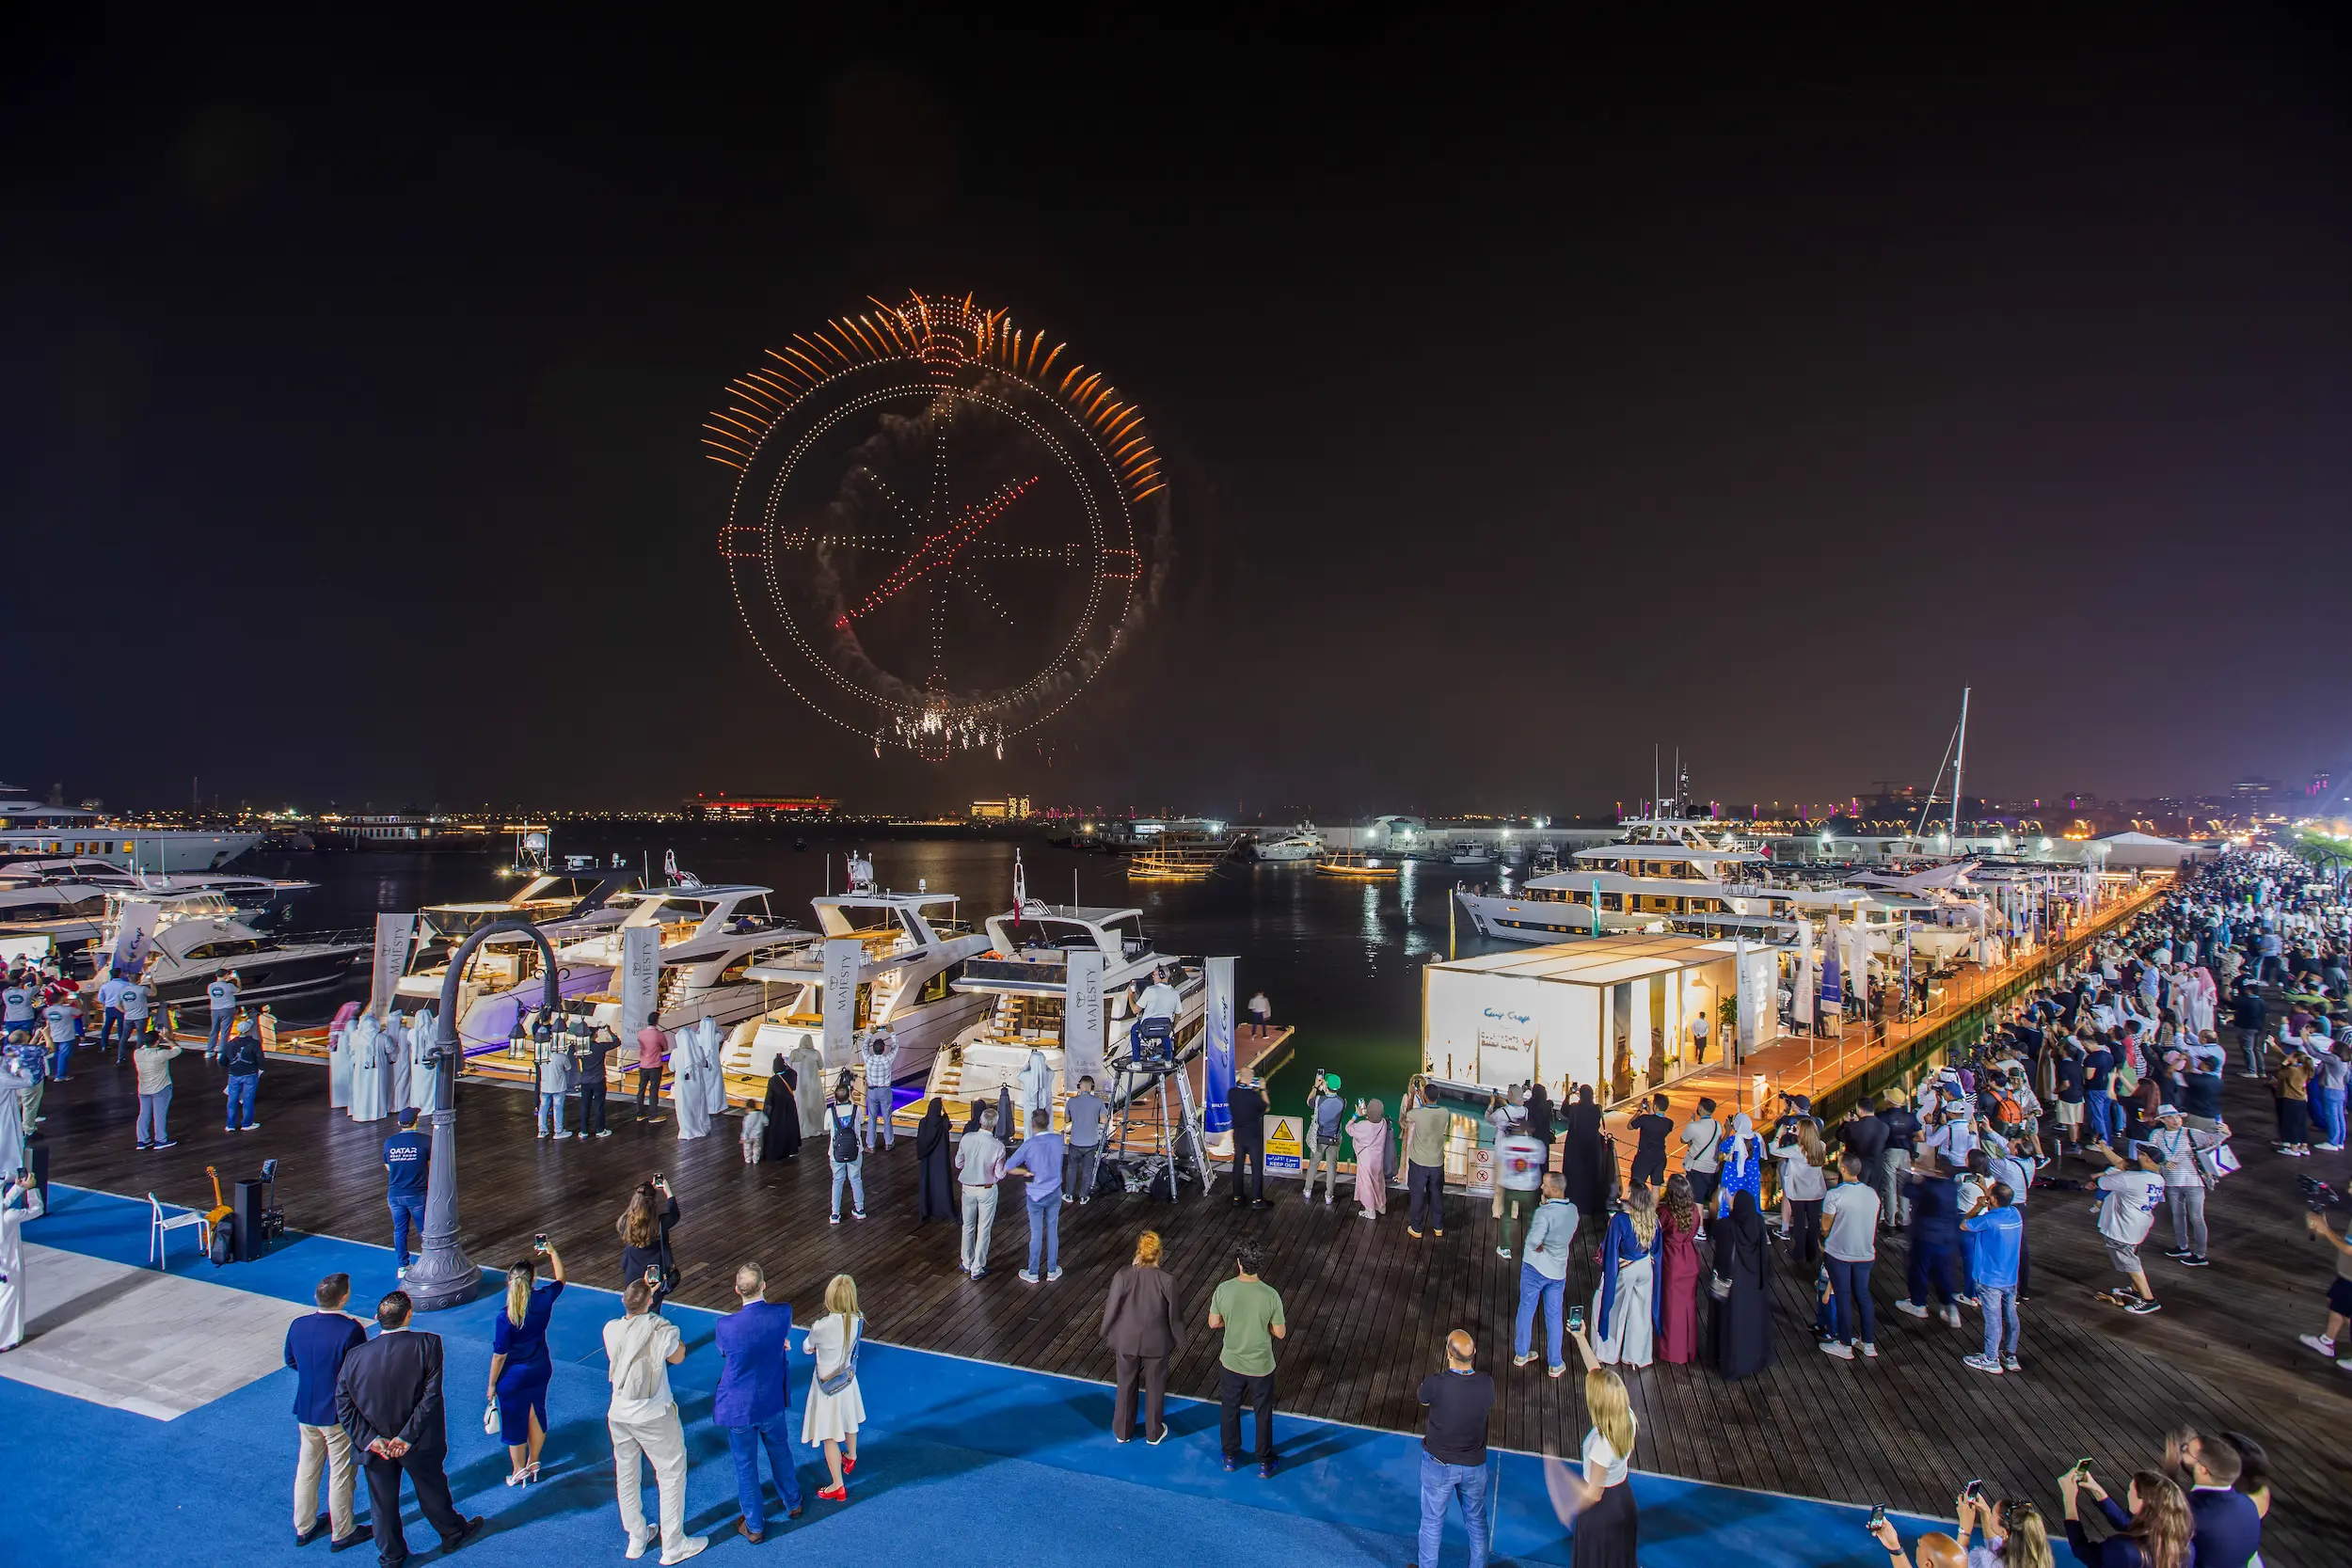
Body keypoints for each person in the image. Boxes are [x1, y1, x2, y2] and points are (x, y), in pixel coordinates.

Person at [335, 1291, 485, 1566]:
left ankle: (392, 1556)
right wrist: (406, 1437)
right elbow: (431, 1396)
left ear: (378, 1318)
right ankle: (452, 1533)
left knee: (382, 1504)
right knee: (431, 1489)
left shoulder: (355, 1356)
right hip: (419, 1442)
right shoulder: (428, 1343)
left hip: (377, 1448)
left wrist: (370, 1440)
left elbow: (343, 1403)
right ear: (409, 1314)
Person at [605, 1276, 705, 1563]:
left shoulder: (611, 1329)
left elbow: (635, 1326)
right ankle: (673, 1545)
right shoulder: (662, 1329)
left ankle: (637, 1536)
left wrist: (647, 1294)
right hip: (653, 1414)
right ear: (651, 1301)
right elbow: (678, 1357)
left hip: (619, 1413)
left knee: (626, 1475)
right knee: (671, 1474)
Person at [713, 1261, 801, 1544]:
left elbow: (728, 1353)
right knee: (781, 1451)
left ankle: (754, 1525)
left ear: (737, 1290)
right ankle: (794, 1502)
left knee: (745, 1466)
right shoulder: (782, 1313)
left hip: (738, 1409)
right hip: (771, 1400)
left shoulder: (725, 1326)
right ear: (764, 1285)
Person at [285, 1273, 369, 1549]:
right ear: (344, 1298)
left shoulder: (298, 1325)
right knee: (341, 1473)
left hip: (306, 1409)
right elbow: (358, 1372)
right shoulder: (351, 1330)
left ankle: (304, 1525)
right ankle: (342, 1530)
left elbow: (291, 1361)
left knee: (307, 1469)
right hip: (336, 1413)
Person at [1547, 1327, 1639, 1568]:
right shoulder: (1626, 1416)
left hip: (1602, 1513)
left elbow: (1594, 1493)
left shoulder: (1601, 1446)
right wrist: (1580, 1338)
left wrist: (1561, 1482)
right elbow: (1596, 1372)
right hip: (1623, 1500)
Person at [487, 1241, 565, 1484]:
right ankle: (534, 1461)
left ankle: (518, 1469)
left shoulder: (505, 1316)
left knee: (514, 1419)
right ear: (533, 1281)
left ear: (509, 1282)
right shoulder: (543, 1300)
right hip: (540, 1368)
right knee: (536, 1412)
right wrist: (552, 1252)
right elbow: (561, 1279)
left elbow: (500, 1355)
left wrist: (491, 1385)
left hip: (512, 1375)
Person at [1416, 1329, 1496, 1568]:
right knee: (1477, 1522)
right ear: (1474, 1353)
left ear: (1448, 1353)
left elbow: (1422, 1397)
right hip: (1474, 1466)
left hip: (1439, 1465)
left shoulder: (1436, 1384)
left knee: (1431, 1522)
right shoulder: (1486, 1384)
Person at [1100, 1229, 1186, 1444]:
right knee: (1155, 1387)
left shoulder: (1123, 1275)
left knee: (1125, 1384)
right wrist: (1181, 1339)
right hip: (1156, 1343)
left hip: (1126, 1340)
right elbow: (1174, 1316)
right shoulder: (1167, 1280)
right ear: (1159, 1253)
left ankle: (1123, 1431)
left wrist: (1105, 1330)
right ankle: (1154, 1433)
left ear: (1138, 1251)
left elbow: (1111, 1308)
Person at [1208, 1240, 1285, 1478]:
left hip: (1231, 1362)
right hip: (1261, 1365)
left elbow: (1213, 1323)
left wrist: (1228, 1322)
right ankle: (1264, 1460)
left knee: (1230, 1407)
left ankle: (1230, 1456)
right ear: (1259, 1264)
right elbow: (1280, 1333)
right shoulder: (1270, 1295)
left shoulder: (1223, 1289)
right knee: (1263, 1411)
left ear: (1239, 1263)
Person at [801, 1273, 866, 1503]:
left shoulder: (821, 1326)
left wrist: (815, 1349)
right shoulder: (857, 1320)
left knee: (829, 1436)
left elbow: (807, 1347)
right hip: (847, 1382)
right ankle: (851, 1455)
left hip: (826, 1389)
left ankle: (838, 1485)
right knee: (849, 1421)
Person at [2164, 1427, 2262, 1568]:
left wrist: (2169, 1473)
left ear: (2203, 1469)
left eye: (2186, 1450)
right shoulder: (2248, 1504)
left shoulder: (2192, 1511)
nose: (2182, 1450)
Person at [2089, 1141, 2168, 1314]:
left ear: (2148, 1160)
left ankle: (2149, 1299)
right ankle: (2135, 1290)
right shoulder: (2158, 1179)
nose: (2138, 1156)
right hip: (2139, 1224)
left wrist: (2108, 1173)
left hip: (2122, 1227)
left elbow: (2102, 1182)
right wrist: (2104, 1149)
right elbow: (2122, 1165)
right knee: (2132, 1256)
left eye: (2142, 1155)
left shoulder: (2131, 1179)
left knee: (2130, 1264)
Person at [2059, 1464, 2190, 1568]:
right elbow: (2128, 1524)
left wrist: (2069, 1499)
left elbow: (2083, 1551)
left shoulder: (2122, 1549)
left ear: (2142, 1503)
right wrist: (2097, 1491)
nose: (2127, 1494)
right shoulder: (2186, 1549)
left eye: (2130, 1489)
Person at [1819, 1153, 1883, 1359]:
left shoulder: (1835, 1195)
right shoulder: (1872, 1194)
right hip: (1865, 1252)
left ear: (1843, 1169)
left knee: (1843, 1295)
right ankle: (1868, 1342)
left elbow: (1825, 1226)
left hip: (1839, 1253)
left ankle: (1844, 1344)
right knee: (1863, 1296)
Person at [1591, 1183, 1661, 1367]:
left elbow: (1611, 1246)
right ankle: (1636, 1356)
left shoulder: (1620, 1220)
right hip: (1645, 1268)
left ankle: (1607, 1353)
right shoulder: (1652, 1219)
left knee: (1613, 1309)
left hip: (1625, 1267)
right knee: (1640, 1312)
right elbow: (1656, 1247)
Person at [1514, 1175, 1577, 1375]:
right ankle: (1555, 1362)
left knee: (1526, 1308)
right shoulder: (1573, 1211)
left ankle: (1522, 1353)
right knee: (1554, 1315)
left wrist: (1543, 1209)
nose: (1541, 1187)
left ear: (1555, 1190)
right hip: (1557, 1272)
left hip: (1535, 1269)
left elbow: (1533, 1241)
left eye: (1545, 1185)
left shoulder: (1544, 1213)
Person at [1960, 1180, 2024, 1374]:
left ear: (1993, 1199)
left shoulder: (1989, 1220)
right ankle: (2010, 1355)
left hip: (1990, 1279)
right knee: (2011, 1316)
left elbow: (1964, 1225)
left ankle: (1990, 1359)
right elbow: (2000, 1201)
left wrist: (1978, 1205)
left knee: (1993, 1319)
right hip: (2010, 1276)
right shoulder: (2015, 1213)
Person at [1708, 1189, 1773, 1379]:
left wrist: (1720, 1203)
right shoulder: (1759, 1223)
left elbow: (1714, 1230)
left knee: (1731, 1326)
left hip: (1734, 1286)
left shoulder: (1728, 1226)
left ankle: (1730, 1363)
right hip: (1754, 1285)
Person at [1895, 1151, 1964, 1325]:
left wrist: (1915, 1175)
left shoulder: (1928, 1186)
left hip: (1926, 1236)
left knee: (1919, 1270)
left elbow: (1907, 1190)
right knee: (1944, 1273)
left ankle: (1918, 1303)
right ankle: (1950, 1307)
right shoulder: (1952, 1186)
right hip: (1948, 1237)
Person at [2148, 1107, 2220, 1268]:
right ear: (2163, 1120)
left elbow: (2214, 1139)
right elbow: (2150, 1152)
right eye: (2171, 1118)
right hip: (2172, 1181)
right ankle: (2182, 1247)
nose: (2176, 1120)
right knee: (2177, 1215)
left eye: (2177, 1117)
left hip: (2193, 1181)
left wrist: (2225, 1132)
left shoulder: (2191, 1133)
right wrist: (2163, 1162)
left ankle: (2201, 1254)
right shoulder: (2157, 1135)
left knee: (2196, 1217)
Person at [1003, 1107, 1067, 1283]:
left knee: (1036, 1233)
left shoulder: (1029, 1145)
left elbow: (1008, 1167)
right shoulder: (1057, 1140)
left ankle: (1033, 1271)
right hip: (1054, 1190)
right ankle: (1052, 1269)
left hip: (1035, 1194)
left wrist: (1025, 1171)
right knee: (1052, 1230)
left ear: (1032, 1125)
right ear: (1048, 1122)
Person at [1656, 1172, 1702, 1365]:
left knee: (1670, 1309)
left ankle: (1671, 1351)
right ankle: (1688, 1349)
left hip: (1671, 1261)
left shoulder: (1665, 1212)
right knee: (1688, 1307)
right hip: (1690, 1260)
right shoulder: (1694, 1211)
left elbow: (1657, 1232)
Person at [958, 1101, 1006, 1279]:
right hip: (987, 1189)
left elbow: (958, 1163)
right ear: (995, 1124)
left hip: (967, 1187)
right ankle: (977, 1267)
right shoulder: (998, 1146)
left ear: (980, 1121)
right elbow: (999, 1174)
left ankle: (966, 1262)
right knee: (983, 1228)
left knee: (967, 1226)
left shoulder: (967, 1138)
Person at [1772, 1118, 1830, 1267]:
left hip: (1798, 1193)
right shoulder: (1821, 1146)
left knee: (1798, 1222)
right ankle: (1813, 1253)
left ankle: (1799, 1253)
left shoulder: (1796, 1150)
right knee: (1813, 1222)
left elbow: (1773, 1150)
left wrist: (1779, 1135)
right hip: (1816, 1192)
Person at [617, 1178, 681, 1311]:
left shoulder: (625, 1221)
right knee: (653, 1305)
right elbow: (675, 1215)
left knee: (633, 1303)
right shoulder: (660, 1224)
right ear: (654, 1204)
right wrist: (668, 1192)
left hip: (632, 1269)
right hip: (653, 1270)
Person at [1494, 1113, 1547, 1260]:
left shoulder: (1505, 1143)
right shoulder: (1537, 1144)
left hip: (1510, 1185)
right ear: (1526, 1130)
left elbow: (1499, 1158)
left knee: (1506, 1216)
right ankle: (1532, 1247)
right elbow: (1542, 1161)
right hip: (1530, 1186)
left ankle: (1505, 1248)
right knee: (1531, 1217)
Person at [1405, 1087, 1452, 1238]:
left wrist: (1412, 1096)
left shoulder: (1418, 1114)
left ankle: (1417, 1228)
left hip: (1419, 1161)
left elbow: (1407, 1115)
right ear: (1437, 1096)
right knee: (1437, 1194)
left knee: (1417, 1195)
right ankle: (1438, 1227)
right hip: (1437, 1161)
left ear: (1424, 1096)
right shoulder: (1445, 1112)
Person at [1560, 1085, 1607, 1217]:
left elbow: (1564, 1110)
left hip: (1576, 1146)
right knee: (1592, 1175)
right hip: (1593, 1145)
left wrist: (1568, 1095)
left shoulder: (1574, 1108)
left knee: (1576, 1175)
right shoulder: (1597, 1109)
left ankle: (1575, 1203)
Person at [133, 1031, 183, 1149]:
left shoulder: (137, 1053)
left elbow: (145, 1046)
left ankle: (142, 1140)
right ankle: (161, 1140)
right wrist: (168, 1038)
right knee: (160, 1114)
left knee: (144, 1114)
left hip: (143, 1089)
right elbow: (177, 1050)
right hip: (161, 1088)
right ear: (157, 1041)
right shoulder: (161, 1054)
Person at [1228, 1069, 1269, 1209]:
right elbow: (1266, 1107)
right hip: (1253, 1136)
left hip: (1239, 1135)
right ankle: (1258, 1200)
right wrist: (1262, 1089)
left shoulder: (1231, 1093)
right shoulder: (1253, 1097)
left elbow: (1241, 1094)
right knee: (1256, 1166)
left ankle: (1237, 1197)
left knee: (1238, 1165)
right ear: (1251, 1078)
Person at [824, 1083, 866, 1223]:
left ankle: (835, 1213)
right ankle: (859, 1209)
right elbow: (861, 1121)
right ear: (849, 1095)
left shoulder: (830, 1112)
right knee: (855, 1179)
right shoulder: (856, 1109)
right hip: (855, 1150)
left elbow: (826, 1127)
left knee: (837, 1180)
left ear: (835, 1098)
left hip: (836, 1152)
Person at [1303, 1070, 1346, 1204]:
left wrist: (1316, 1087)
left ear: (1326, 1085)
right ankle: (1329, 1196)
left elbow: (1308, 1101)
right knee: (1332, 1167)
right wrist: (1326, 1088)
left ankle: (1308, 1190)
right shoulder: (1343, 1102)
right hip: (1334, 1139)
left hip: (1319, 1139)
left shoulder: (1318, 1101)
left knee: (1313, 1163)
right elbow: (1331, 1101)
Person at [1678, 1099, 1722, 1227]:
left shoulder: (1693, 1127)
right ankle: (1715, 1227)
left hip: (1698, 1169)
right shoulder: (1718, 1126)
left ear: (1701, 1108)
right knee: (1713, 1200)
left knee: (1697, 1200)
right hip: (1713, 1168)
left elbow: (1684, 1140)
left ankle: (1700, 1228)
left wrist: (1692, 1123)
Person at [1064, 1074, 1107, 1204]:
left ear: (1080, 1086)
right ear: (1092, 1087)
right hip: (1091, 1142)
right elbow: (1103, 1120)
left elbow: (1066, 1120)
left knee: (1071, 1169)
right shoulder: (1098, 1102)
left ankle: (1069, 1195)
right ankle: (1083, 1196)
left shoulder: (1071, 1101)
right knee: (1087, 1170)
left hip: (1075, 1141)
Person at [1346, 1096, 1392, 1218]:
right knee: (1378, 1182)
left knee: (1367, 1184)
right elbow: (1375, 1118)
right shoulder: (1383, 1123)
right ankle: (1381, 1206)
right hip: (1378, 1159)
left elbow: (1348, 1128)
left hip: (1366, 1160)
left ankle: (1370, 1210)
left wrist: (1356, 1115)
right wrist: (1369, 1114)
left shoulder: (1362, 1126)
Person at [1713, 1112, 1763, 1218]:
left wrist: (1728, 1131)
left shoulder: (1733, 1140)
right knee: (1752, 1202)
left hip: (1733, 1175)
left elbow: (1721, 1147)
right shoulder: (1757, 1139)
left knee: (1730, 1201)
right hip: (1752, 1175)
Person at [914, 1097, 955, 1221]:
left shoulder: (923, 1123)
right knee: (942, 1184)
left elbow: (920, 1141)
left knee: (927, 1184)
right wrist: (944, 1111)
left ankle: (927, 1209)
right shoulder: (943, 1123)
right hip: (941, 1161)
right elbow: (949, 1124)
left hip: (927, 1161)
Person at [861, 1029, 897, 1151]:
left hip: (872, 1091)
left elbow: (864, 1046)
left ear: (873, 1049)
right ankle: (888, 1143)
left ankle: (870, 1145)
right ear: (883, 1049)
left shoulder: (868, 1059)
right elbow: (896, 1046)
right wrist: (891, 1032)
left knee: (872, 1117)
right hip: (885, 1091)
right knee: (887, 1117)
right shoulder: (887, 1059)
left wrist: (871, 1033)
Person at [1627, 1094, 1672, 1189]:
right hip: (1660, 1157)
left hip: (1644, 1157)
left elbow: (1630, 1125)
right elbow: (1656, 1121)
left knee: (1636, 1186)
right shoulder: (1669, 1123)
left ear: (1655, 1106)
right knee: (1656, 1188)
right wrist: (1651, 1112)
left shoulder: (1645, 1119)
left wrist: (1639, 1111)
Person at [535, 1036, 573, 1140]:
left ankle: (542, 1130)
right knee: (558, 1109)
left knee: (543, 1108)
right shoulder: (562, 1057)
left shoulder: (540, 1056)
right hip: (558, 1087)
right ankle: (558, 1131)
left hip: (545, 1086)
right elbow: (568, 1068)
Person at [633, 1023, 666, 1125]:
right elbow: (665, 1047)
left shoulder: (641, 1033)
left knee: (641, 1089)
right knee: (653, 1090)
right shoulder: (658, 1034)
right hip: (655, 1066)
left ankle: (640, 1113)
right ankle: (653, 1115)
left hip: (643, 1065)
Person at [205, 971, 241, 1058]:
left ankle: (209, 1051)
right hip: (227, 1010)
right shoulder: (229, 986)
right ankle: (221, 1052)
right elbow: (238, 990)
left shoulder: (210, 986)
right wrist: (237, 979)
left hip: (214, 1010)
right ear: (226, 975)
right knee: (225, 1031)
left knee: (214, 1030)